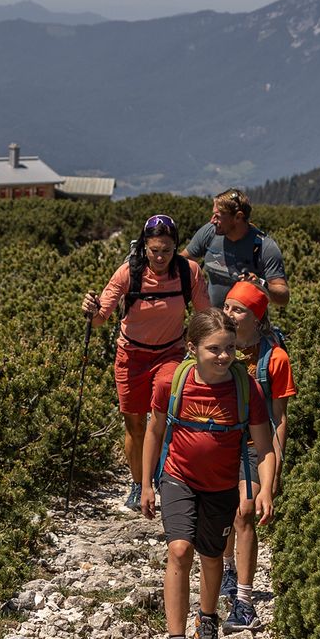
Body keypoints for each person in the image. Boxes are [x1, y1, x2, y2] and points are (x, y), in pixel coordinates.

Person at [142, 308, 275, 639]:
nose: (224, 356)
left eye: (230, 348)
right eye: (214, 349)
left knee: (212, 556)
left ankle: (208, 618)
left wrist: (264, 490)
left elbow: (264, 447)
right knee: (180, 550)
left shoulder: (247, 388)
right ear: (192, 348)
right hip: (177, 477)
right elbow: (154, 432)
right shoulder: (170, 381)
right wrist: (145, 483)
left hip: (221, 485)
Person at [82, 215, 209, 510]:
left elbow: (204, 316)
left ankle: (160, 477)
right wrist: (91, 310)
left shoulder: (189, 272)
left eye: (167, 250)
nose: (161, 256)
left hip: (170, 353)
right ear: (144, 247)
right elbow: (100, 319)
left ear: (176, 247)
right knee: (135, 424)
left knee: (162, 412)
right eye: (154, 250)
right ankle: (138, 483)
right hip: (131, 356)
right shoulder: (128, 273)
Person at [217, 280, 295, 632]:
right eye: (227, 306)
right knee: (225, 512)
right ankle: (228, 570)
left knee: (245, 511)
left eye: (237, 309)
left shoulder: (275, 359)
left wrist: (273, 471)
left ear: (257, 316)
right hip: (219, 443)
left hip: (254, 448)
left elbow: (279, 418)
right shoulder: (218, 347)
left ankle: (244, 602)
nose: (228, 313)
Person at [183, 189, 288, 312]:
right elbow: (182, 263)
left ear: (238, 217)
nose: (212, 221)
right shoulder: (210, 232)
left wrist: (260, 283)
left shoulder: (264, 247)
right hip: (213, 322)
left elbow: (283, 298)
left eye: (217, 216)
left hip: (246, 326)